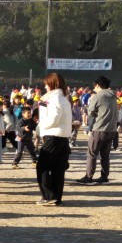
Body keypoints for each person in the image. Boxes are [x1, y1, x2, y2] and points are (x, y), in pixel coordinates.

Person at [35, 72, 72, 206]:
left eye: (46, 84)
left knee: (42, 166)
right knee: (58, 169)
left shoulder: (54, 99)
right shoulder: (64, 99)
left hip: (53, 136)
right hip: (63, 137)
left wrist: (41, 127)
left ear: (52, 84)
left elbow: (53, 118)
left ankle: (48, 196)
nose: (45, 86)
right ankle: (57, 197)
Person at [77, 75, 118, 185]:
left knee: (92, 153)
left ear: (98, 85)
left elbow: (90, 112)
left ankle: (88, 176)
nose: (94, 88)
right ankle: (104, 176)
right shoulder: (113, 96)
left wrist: (96, 116)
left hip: (100, 129)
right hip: (112, 129)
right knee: (105, 155)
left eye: (95, 86)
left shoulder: (98, 96)